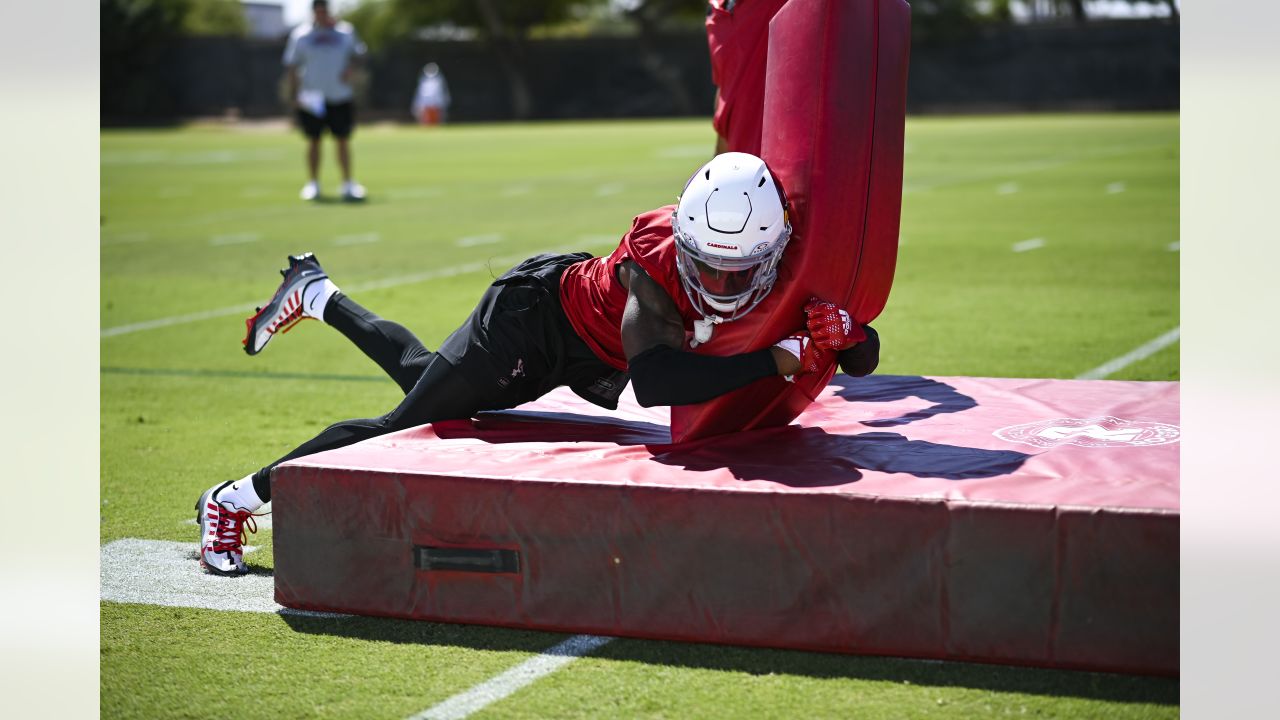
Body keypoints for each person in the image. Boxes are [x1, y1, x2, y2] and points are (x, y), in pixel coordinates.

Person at [197, 153, 880, 575]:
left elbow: (863, 356)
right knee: (403, 426)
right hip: (532, 324)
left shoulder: (779, 253)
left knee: (430, 383)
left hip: (580, 343)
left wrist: (848, 334)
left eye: (741, 272)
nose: (725, 286)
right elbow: (658, 380)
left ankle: (316, 293)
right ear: (685, 239)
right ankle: (234, 499)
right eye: (709, 266)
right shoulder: (655, 270)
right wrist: (775, 359)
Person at [283, 0, 367, 202]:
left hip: (339, 94)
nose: (321, 14)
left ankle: (347, 183)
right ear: (312, 12)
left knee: (343, 139)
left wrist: (351, 69)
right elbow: (292, 66)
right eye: (317, 11)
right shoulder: (301, 35)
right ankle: (313, 183)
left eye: (324, 11)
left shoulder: (345, 32)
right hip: (312, 96)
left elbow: (360, 55)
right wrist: (294, 95)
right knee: (313, 139)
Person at [705, 0, 788, 156]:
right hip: (739, 166)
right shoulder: (714, 12)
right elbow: (725, 92)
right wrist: (720, 162)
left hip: (786, 164)